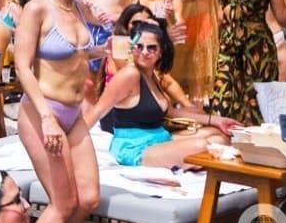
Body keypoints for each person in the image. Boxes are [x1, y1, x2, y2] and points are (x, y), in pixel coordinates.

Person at [14, 0, 101, 223]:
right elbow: (22, 67)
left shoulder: (78, 6)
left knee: (88, 198)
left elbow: (81, 54)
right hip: (43, 113)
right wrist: (47, 118)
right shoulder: (37, 8)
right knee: (63, 204)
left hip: (73, 113)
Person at [86, 22, 238, 168]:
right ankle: (186, 163)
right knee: (201, 146)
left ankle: (186, 162)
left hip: (159, 138)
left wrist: (217, 120)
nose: (144, 52)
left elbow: (171, 113)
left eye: (151, 48)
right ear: (132, 48)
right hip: (134, 146)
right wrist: (75, 144)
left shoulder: (152, 76)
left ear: (160, 53)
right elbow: (98, 110)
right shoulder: (130, 74)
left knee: (219, 137)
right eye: (139, 46)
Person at [171, 0, 219, 100]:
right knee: (197, 84)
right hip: (204, 34)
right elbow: (218, 14)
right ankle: (196, 115)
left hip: (182, 35)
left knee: (173, 79)